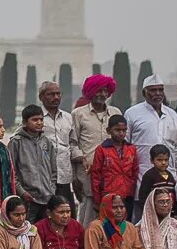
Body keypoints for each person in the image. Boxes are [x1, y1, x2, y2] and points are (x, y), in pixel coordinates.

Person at [72, 74, 120, 225]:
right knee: (88, 212)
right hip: (87, 172)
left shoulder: (115, 112)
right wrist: (81, 159)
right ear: (91, 91)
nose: (102, 94)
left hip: (111, 172)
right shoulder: (79, 114)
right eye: (98, 90)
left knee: (111, 209)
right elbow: (72, 143)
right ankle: (87, 246)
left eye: (105, 90)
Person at [127, 75, 177, 178]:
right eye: (153, 90)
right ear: (144, 92)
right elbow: (126, 145)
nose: (158, 93)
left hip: (169, 172)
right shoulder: (132, 113)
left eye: (160, 90)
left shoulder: (172, 114)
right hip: (142, 171)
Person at [10, 105, 58, 223]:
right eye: (35, 120)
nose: (39, 122)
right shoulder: (16, 142)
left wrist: (51, 190)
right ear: (25, 123)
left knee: (44, 230)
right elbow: (11, 172)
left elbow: (53, 170)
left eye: (41, 119)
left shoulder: (47, 142)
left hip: (47, 197)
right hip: (28, 198)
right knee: (27, 228)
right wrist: (22, 192)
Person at [91, 113, 140, 222]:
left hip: (127, 194)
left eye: (124, 130)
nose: (121, 133)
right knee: (109, 225)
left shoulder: (131, 149)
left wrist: (131, 188)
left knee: (126, 223)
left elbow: (135, 172)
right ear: (109, 130)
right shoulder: (102, 149)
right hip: (108, 194)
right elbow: (96, 175)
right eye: (117, 130)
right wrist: (97, 200)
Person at [38, 81, 78, 207]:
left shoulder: (68, 117)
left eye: (58, 94)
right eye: (51, 94)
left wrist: (80, 158)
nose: (55, 97)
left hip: (64, 175)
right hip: (43, 176)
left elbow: (72, 143)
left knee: (66, 213)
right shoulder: (36, 117)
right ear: (41, 97)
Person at [135, 144, 177, 220]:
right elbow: (143, 196)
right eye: (159, 160)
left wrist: (175, 212)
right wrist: (147, 213)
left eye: (166, 160)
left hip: (169, 214)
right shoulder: (149, 176)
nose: (163, 163)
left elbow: (173, 196)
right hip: (154, 214)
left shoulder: (170, 176)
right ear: (152, 161)